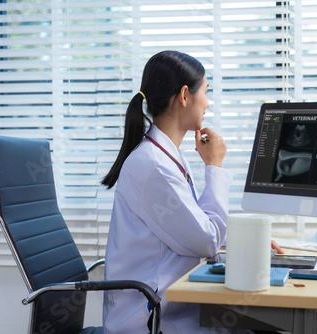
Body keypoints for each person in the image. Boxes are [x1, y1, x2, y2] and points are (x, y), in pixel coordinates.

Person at [101, 50, 283, 334]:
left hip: (172, 307)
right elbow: (207, 241)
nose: (208, 103)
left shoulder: (165, 157)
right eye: (206, 92)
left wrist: (244, 240)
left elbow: (193, 228)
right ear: (185, 96)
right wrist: (214, 166)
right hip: (152, 321)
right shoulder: (154, 167)